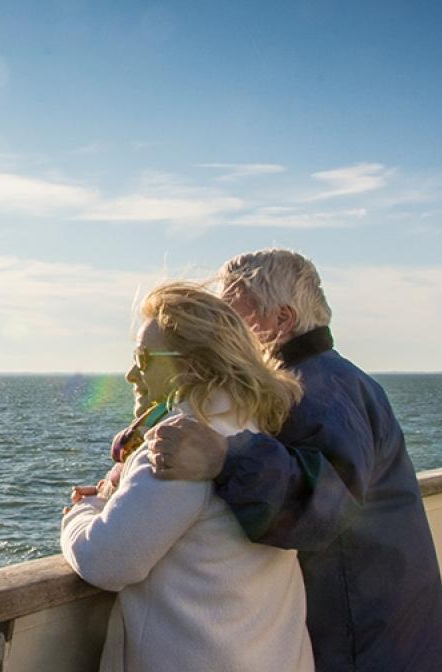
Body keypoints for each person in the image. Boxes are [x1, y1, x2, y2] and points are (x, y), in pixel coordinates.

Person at [146, 249, 442, 671]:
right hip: (383, 628)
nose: (218, 331)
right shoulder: (330, 379)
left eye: (231, 316)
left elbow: (325, 507)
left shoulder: (319, 392)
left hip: (360, 639)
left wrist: (225, 456)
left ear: (281, 321)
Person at [61, 282, 314, 672]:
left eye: (144, 360)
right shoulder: (254, 435)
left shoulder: (179, 445)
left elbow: (105, 561)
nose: (131, 374)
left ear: (193, 365)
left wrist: (83, 510)